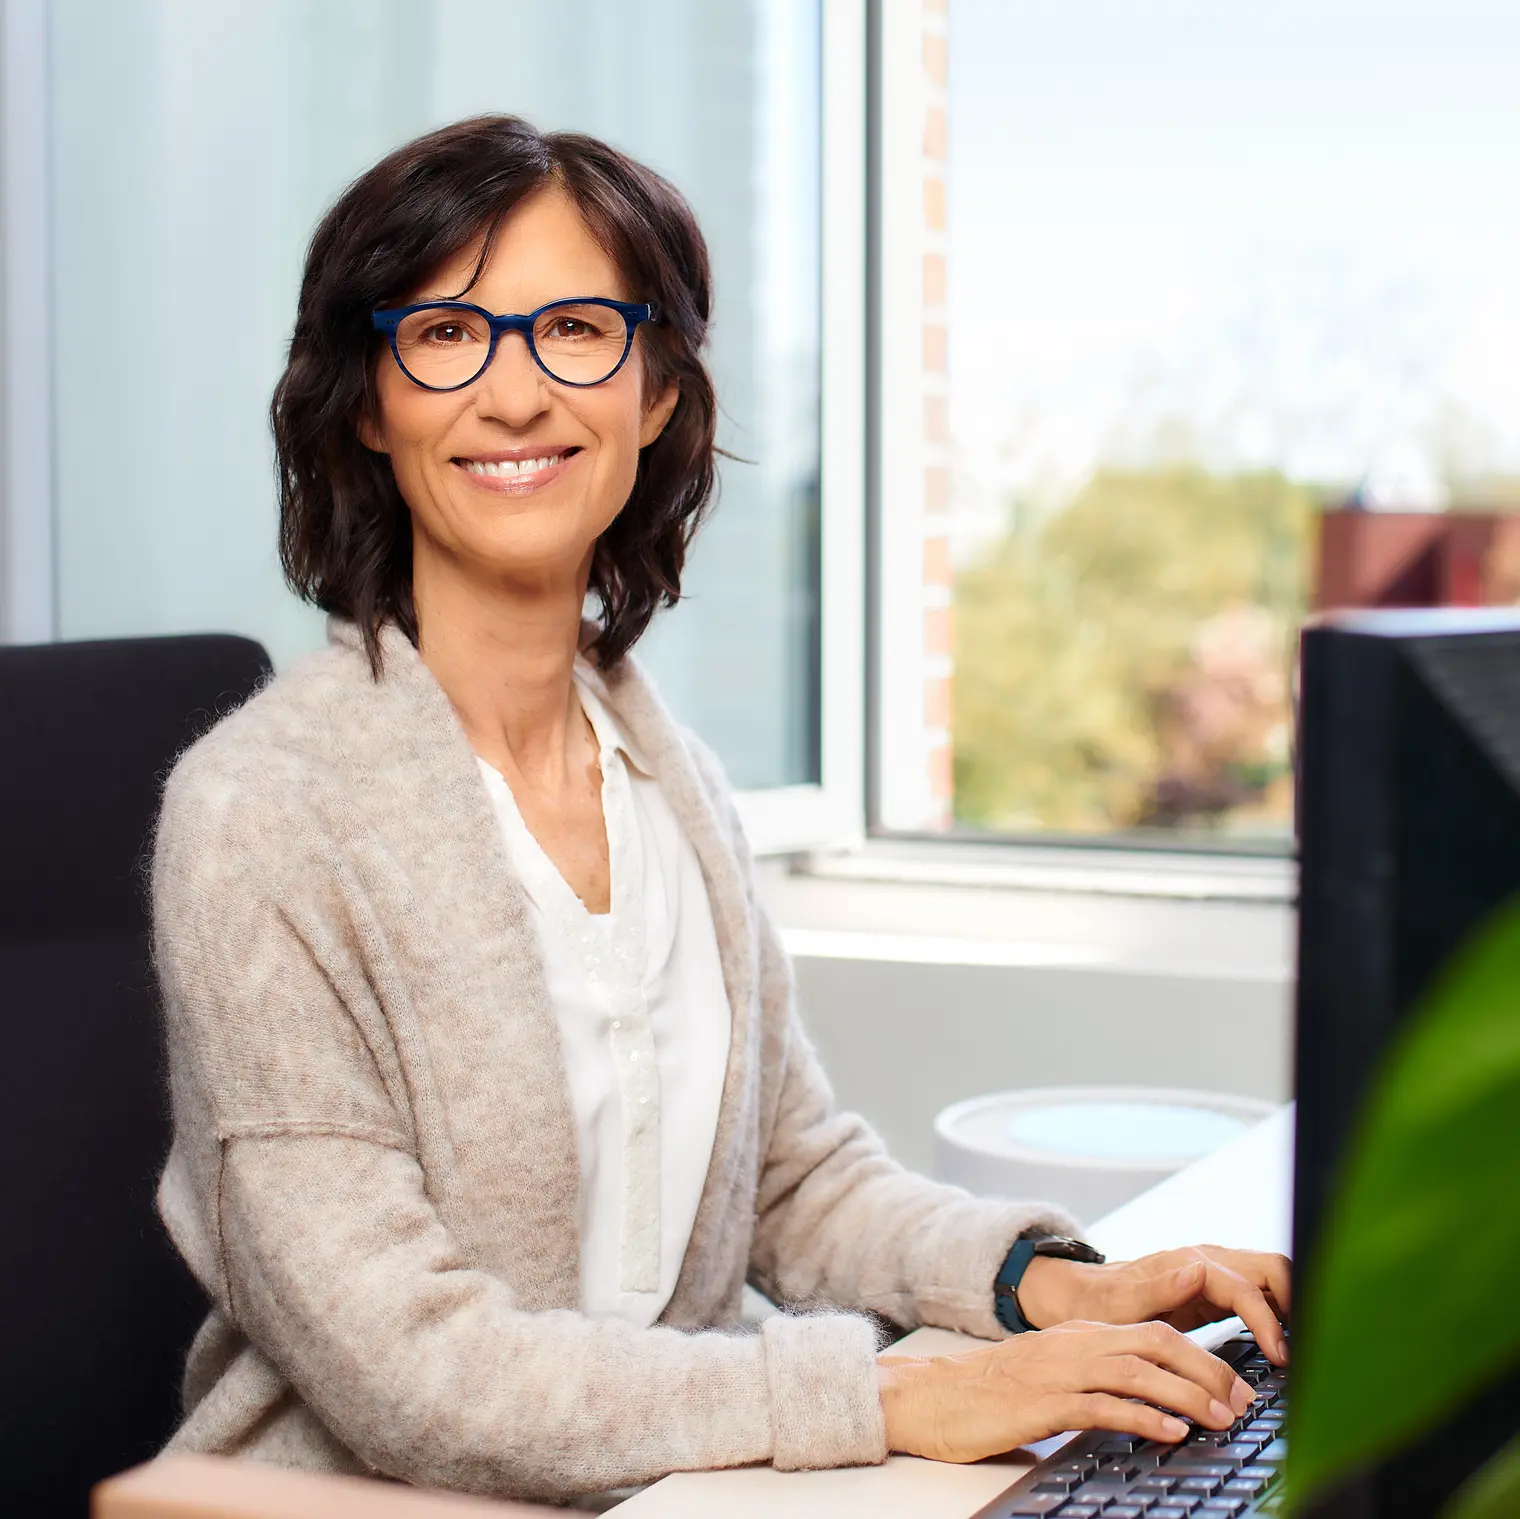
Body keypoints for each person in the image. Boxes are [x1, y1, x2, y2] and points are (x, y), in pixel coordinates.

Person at [152, 115, 1289, 1506]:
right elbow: (407, 1362)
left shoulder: (664, 772)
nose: (513, 394)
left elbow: (792, 1181)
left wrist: (1044, 1282)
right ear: (368, 401)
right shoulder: (259, 810)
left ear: (659, 395)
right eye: (446, 334)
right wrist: (886, 1398)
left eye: (574, 327)